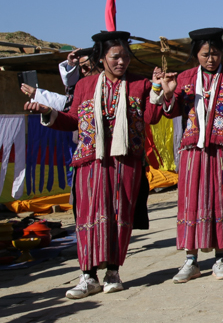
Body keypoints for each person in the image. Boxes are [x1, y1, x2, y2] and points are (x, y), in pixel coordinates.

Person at [25, 31, 169, 299]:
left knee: (119, 217)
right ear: (102, 58)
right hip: (90, 162)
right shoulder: (85, 86)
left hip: (125, 161)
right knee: (88, 217)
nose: (121, 62)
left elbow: (151, 117)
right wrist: (48, 112)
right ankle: (87, 277)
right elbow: (71, 121)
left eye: (126, 56)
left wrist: (158, 89)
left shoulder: (140, 84)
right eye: (116, 56)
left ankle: (113, 272)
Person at [161, 28, 223, 283]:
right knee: (192, 202)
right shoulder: (185, 78)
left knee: (222, 199)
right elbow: (170, 111)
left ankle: (220, 257)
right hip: (193, 151)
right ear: (196, 54)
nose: (211, 59)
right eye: (206, 54)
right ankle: (191, 260)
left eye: (216, 53)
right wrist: (168, 92)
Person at [22, 48, 97, 113]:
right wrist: (71, 65)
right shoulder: (83, 85)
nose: (83, 71)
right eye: (80, 68)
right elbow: (73, 97)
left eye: (86, 67)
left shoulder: (104, 86)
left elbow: (72, 105)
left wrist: (38, 94)